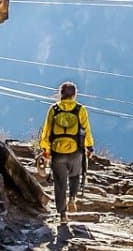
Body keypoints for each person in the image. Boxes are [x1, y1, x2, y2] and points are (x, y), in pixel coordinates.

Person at [39, 81, 93, 223]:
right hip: (76, 152)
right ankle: (72, 198)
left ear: (60, 94)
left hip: (58, 153)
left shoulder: (54, 109)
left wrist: (45, 150)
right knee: (75, 176)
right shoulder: (80, 109)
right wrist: (89, 147)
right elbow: (86, 130)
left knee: (59, 183)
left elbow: (47, 132)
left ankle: (63, 215)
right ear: (74, 95)